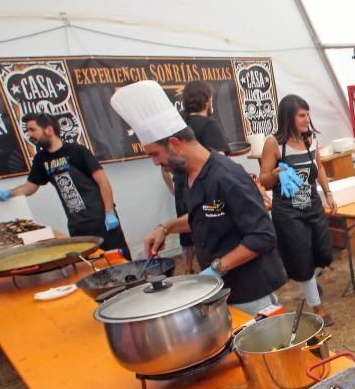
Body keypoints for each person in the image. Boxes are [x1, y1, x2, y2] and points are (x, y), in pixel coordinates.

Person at [111, 80, 286, 316]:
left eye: (155, 154)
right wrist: (167, 227)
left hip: (251, 293)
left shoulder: (227, 176)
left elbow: (263, 236)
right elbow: (203, 216)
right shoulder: (190, 176)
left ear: (174, 144)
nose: (155, 162)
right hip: (223, 290)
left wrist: (217, 267)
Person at [0, 112, 131, 259]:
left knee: (118, 260)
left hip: (101, 220)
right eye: (27, 130)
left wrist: (109, 212)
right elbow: (31, 186)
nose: (29, 134)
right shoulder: (41, 159)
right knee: (91, 264)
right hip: (77, 226)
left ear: (49, 130)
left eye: (32, 130)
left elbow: (102, 181)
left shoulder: (77, 151)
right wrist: (10, 193)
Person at [259, 95, 337, 326]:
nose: (306, 119)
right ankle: (318, 307)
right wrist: (274, 174)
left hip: (312, 204)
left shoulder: (309, 139)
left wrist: (328, 193)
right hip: (288, 210)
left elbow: (319, 167)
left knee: (322, 250)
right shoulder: (274, 143)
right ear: (288, 117)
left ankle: (309, 280)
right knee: (301, 256)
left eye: (307, 114)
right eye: (301, 115)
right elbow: (263, 178)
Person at [160, 80, 232, 273]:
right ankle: (217, 269)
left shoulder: (178, 127)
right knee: (210, 227)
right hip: (206, 190)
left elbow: (164, 166)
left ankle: (190, 268)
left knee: (190, 228)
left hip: (183, 188)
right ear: (207, 101)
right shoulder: (209, 125)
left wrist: (176, 189)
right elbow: (222, 162)